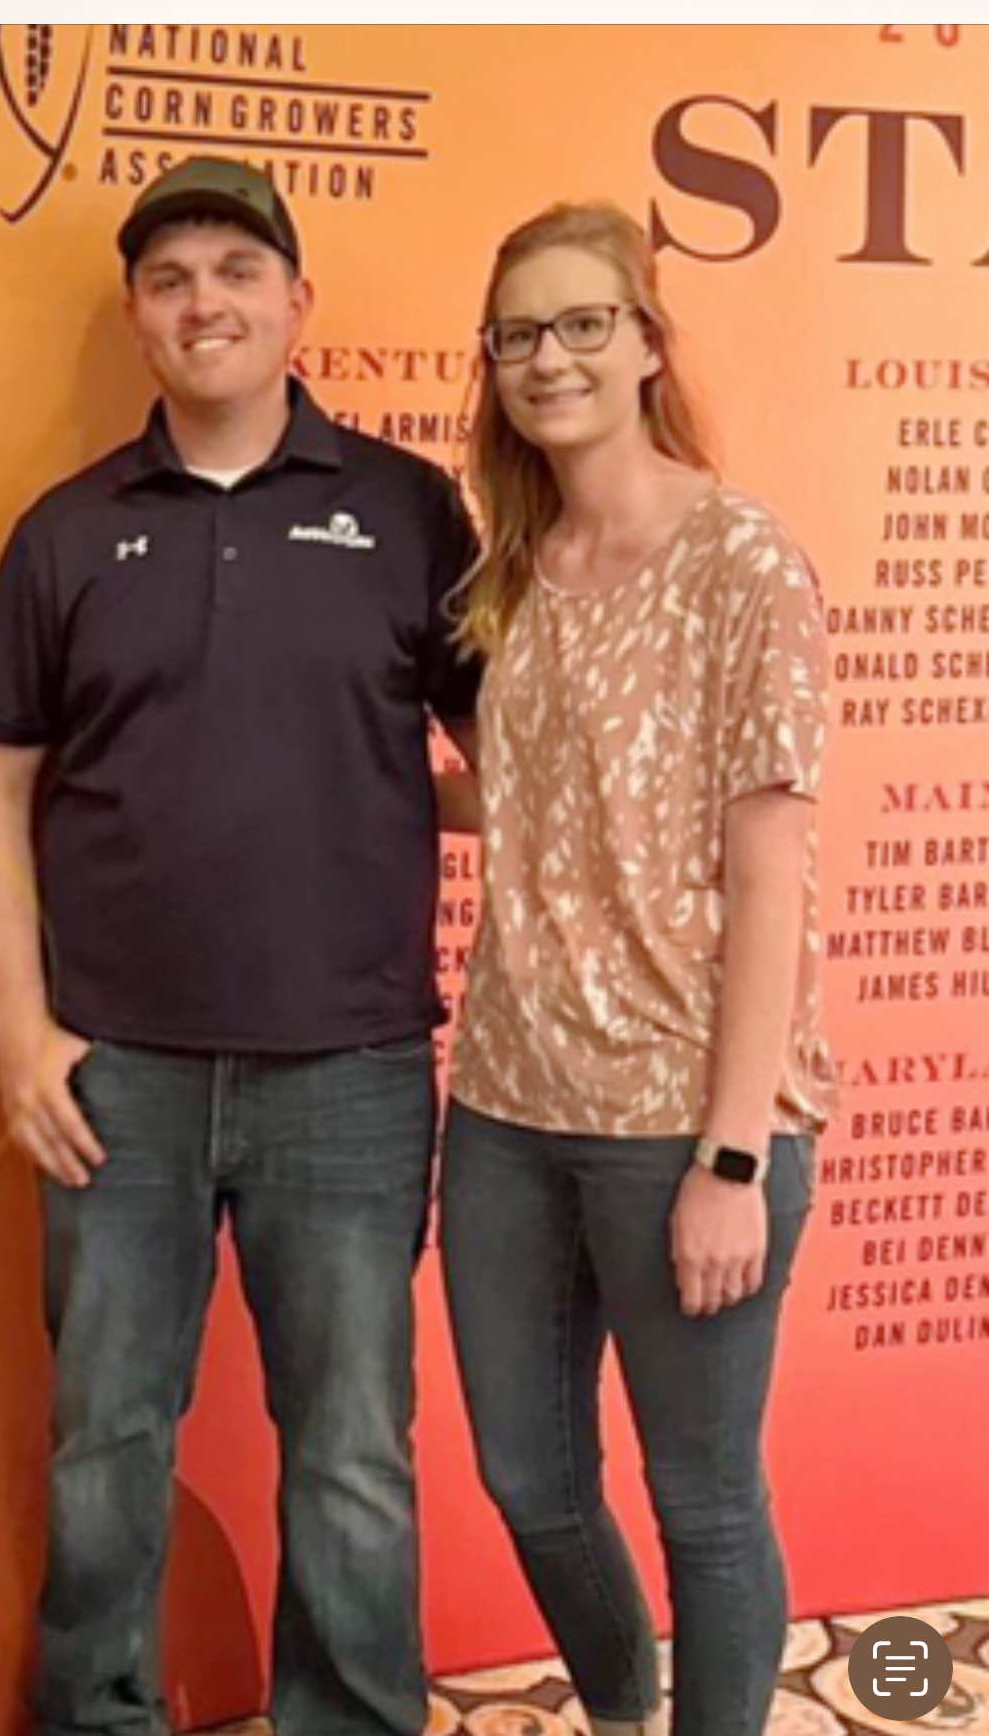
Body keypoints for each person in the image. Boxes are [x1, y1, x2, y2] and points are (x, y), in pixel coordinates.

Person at [0, 155, 480, 1736]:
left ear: (297, 304)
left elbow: (509, 742)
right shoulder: (63, 532)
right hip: (115, 1070)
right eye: (171, 278)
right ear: (138, 318)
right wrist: (17, 1029)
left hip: (355, 1064)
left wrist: (432, 814)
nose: (206, 302)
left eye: (237, 273)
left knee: (351, 1447)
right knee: (106, 1436)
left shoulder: (404, 506)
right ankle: (96, 1712)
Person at [439, 202, 836, 1736]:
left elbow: (765, 869)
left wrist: (732, 1154)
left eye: (582, 321)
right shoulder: (513, 568)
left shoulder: (738, 555)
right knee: (528, 1478)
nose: (549, 357)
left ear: (648, 340)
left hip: (682, 1118)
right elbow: (540, 792)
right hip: (506, 1107)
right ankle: (619, 1711)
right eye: (519, 333)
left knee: (702, 1503)